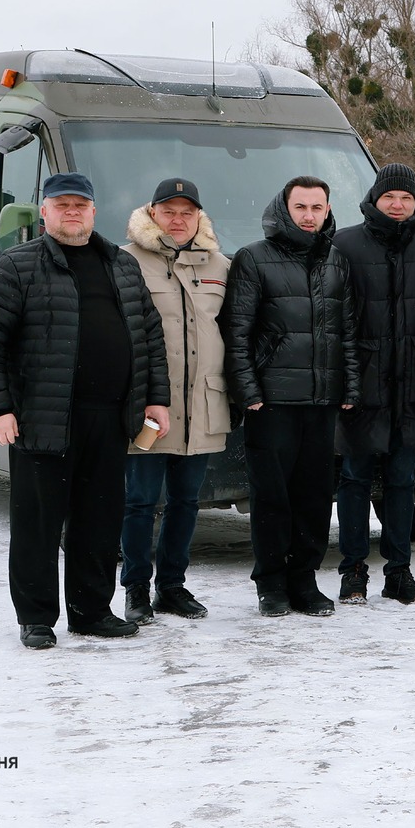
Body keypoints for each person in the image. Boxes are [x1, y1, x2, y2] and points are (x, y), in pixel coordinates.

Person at [0, 172, 171, 649]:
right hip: (42, 418)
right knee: (38, 524)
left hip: (110, 417)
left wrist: (156, 399)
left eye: (80, 205)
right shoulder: (16, 266)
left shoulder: (120, 264)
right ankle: (36, 618)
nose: (72, 212)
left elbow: (149, 339)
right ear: (44, 211)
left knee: (99, 520)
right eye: (62, 205)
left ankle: (91, 611)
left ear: (94, 211)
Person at [224, 176, 360, 618]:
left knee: (314, 497)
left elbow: (347, 331)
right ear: (284, 208)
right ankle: (271, 584)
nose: (308, 215)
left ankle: (304, 580)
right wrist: (247, 391)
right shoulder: (253, 258)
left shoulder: (336, 261)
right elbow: (237, 332)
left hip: (321, 401)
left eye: (316, 207)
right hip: (272, 401)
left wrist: (349, 386)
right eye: (300, 207)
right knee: (271, 498)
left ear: (327, 211)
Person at [332, 163, 415, 608]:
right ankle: (352, 571)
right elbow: (333, 317)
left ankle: (399, 572)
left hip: (414, 381)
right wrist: (341, 381)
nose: (398, 205)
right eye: (390, 197)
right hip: (361, 384)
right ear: (375, 199)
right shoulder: (344, 244)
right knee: (354, 479)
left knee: (403, 480)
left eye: (406, 197)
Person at [118, 176, 232, 625]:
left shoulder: (219, 264)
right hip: (150, 408)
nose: (178, 220)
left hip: (202, 405)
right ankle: (135, 588)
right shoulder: (126, 261)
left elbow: (232, 328)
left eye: (187, 212)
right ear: (152, 213)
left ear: (199, 216)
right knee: (140, 502)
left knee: (187, 501)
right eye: (169, 211)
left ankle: (172, 587)